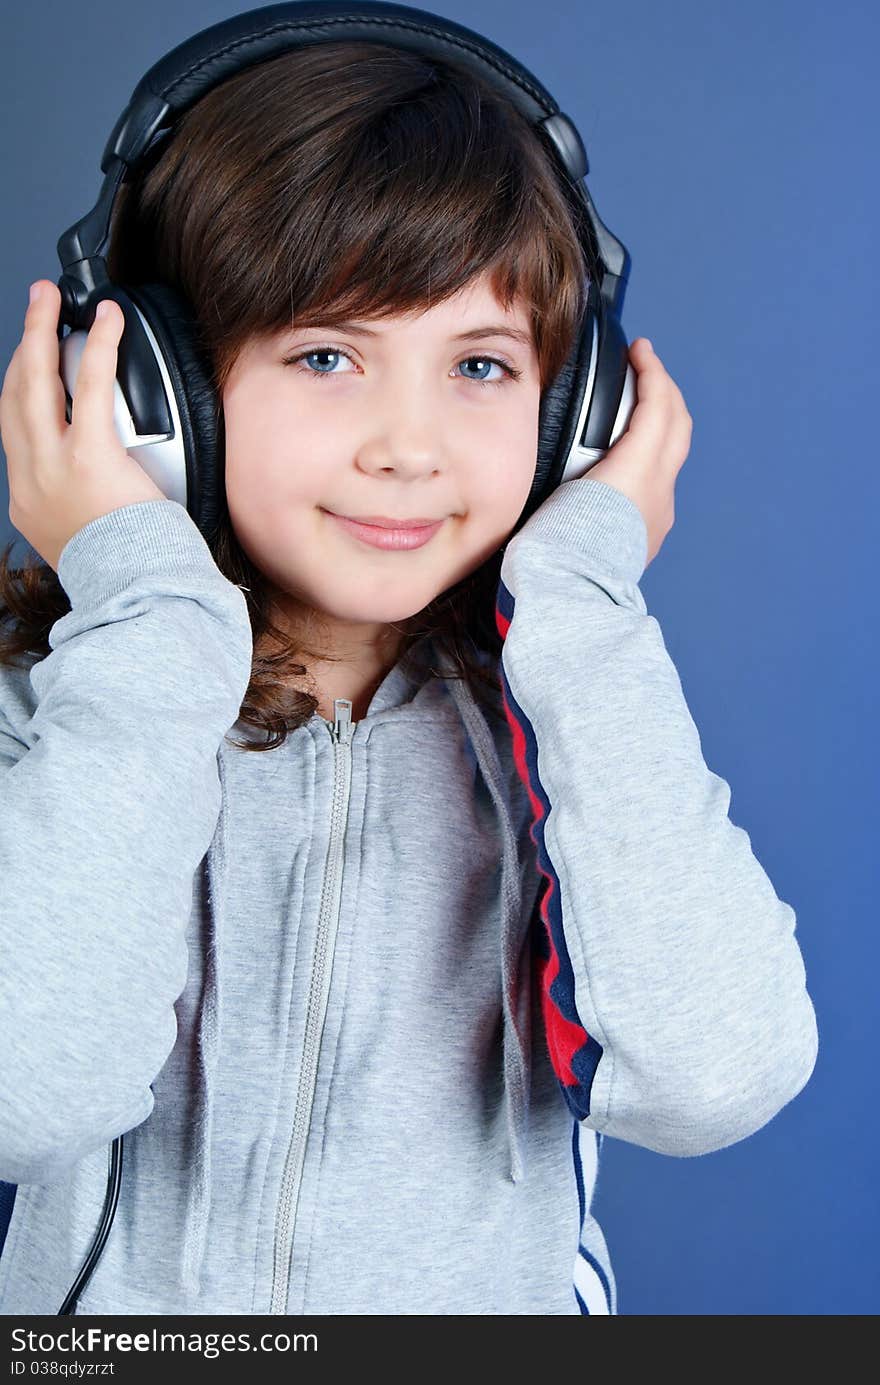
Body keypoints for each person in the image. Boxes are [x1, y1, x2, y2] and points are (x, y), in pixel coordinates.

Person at [0, 33, 817, 1317]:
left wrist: (588, 599)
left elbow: (714, 1075)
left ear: (576, 409)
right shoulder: (71, 717)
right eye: (327, 356)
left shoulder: (572, 723)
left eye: (482, 365)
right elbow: (20, 1091)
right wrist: (148, 615)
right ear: (152, 392)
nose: (410, 447)